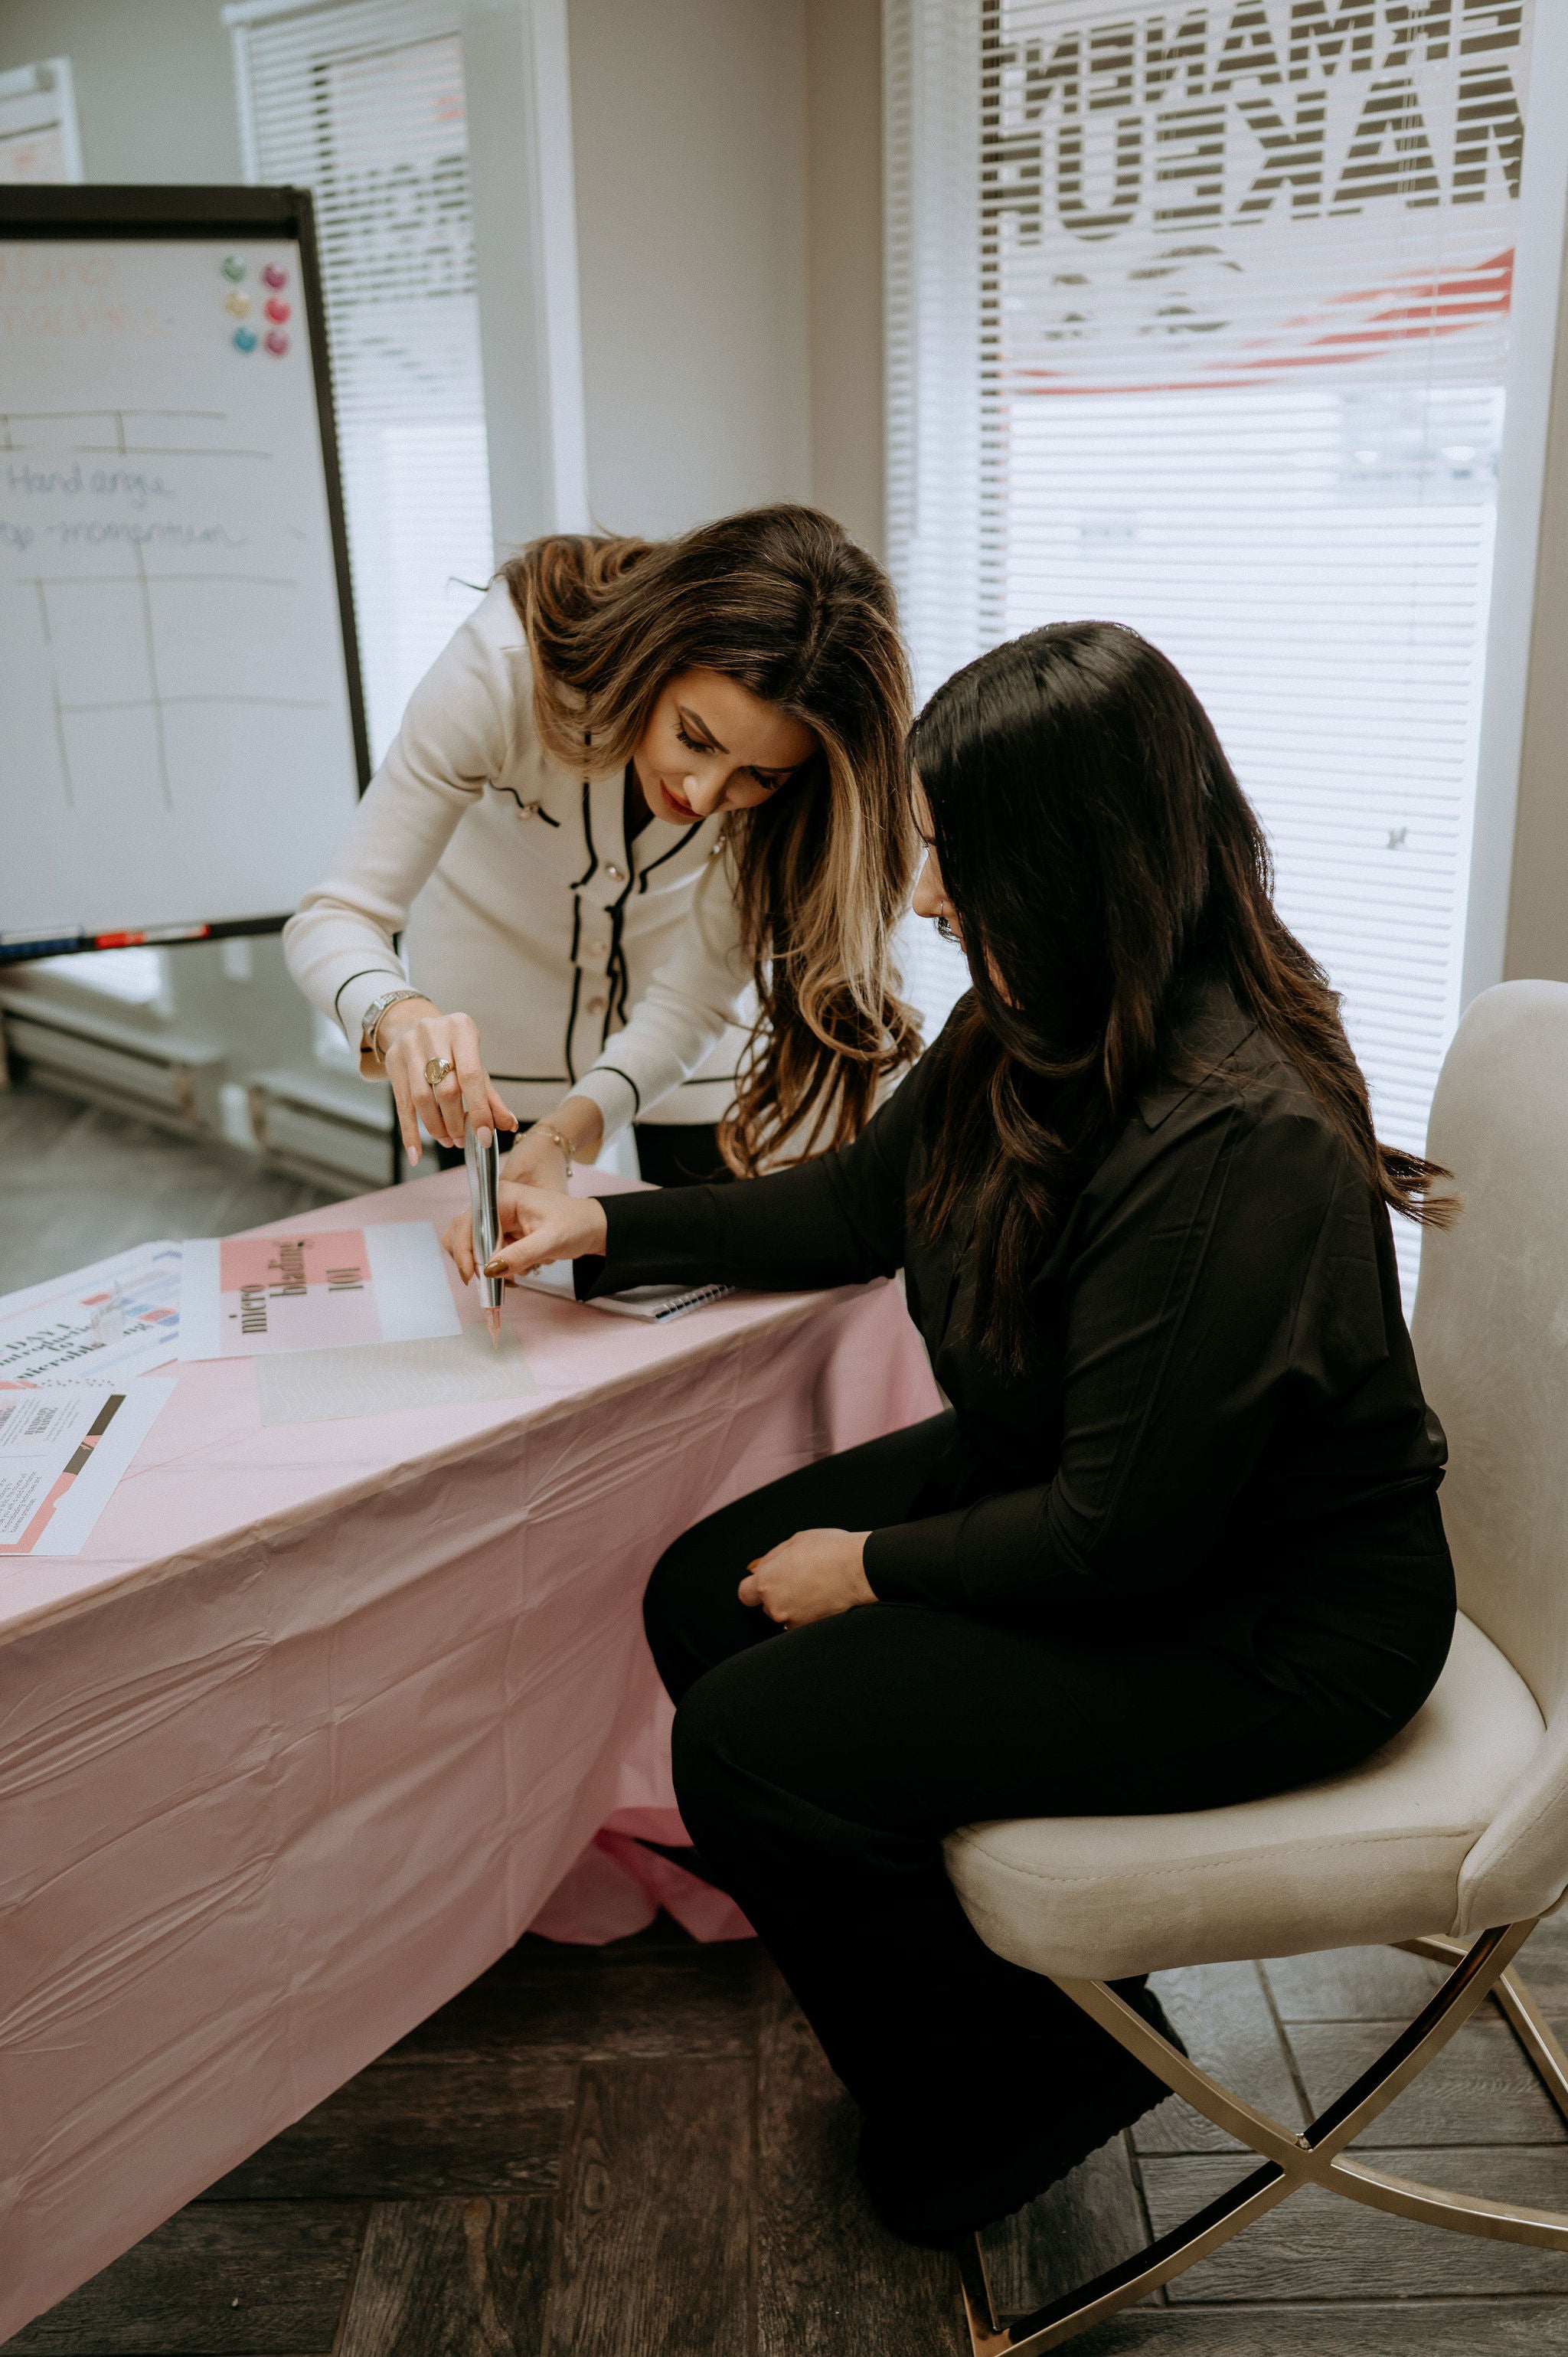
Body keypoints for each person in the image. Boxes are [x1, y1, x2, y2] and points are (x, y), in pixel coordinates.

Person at [459, 622, 1459, 2244]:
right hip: (1087, 1488)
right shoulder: (1047, 1007)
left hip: (1267, 1614)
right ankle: (987, 1984)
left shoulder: (1232, 1135)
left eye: (952, 859)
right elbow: (865, 1202)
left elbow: (1117, 1540)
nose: (925, 897)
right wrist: (601, 1229)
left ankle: (1025, 2093)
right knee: (696, 1591)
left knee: (742, 1744)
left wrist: (868, 1569)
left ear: (1069, 864)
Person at [283, 505, 919, 1205]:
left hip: (683, 1043)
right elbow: (334, 917)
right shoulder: (501, 670)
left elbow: (694, 997)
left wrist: (570, 1129)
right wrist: (398, 1014)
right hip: (489, 1043)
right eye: (695, 738)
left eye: (758, 778)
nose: (705, 797)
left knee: (704, 1275)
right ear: (655, 656)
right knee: (503, 1281)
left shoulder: (805, 782)